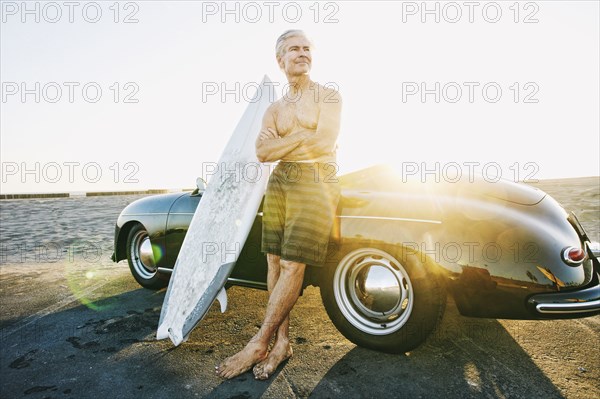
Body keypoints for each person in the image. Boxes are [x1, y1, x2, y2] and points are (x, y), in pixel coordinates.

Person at [215, 30, 342, 380]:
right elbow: (261, 153)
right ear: (280, 60)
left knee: (291, 262)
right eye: (293, 49)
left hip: (316, 180)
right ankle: (282, 342)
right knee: (273, 261)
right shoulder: (273, 109)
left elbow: (324, 142)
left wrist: (287, 141)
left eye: (306, 48)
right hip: (281, 181)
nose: (302, 54)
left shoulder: (328, 97)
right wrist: (302, 135)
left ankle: (260, 341)